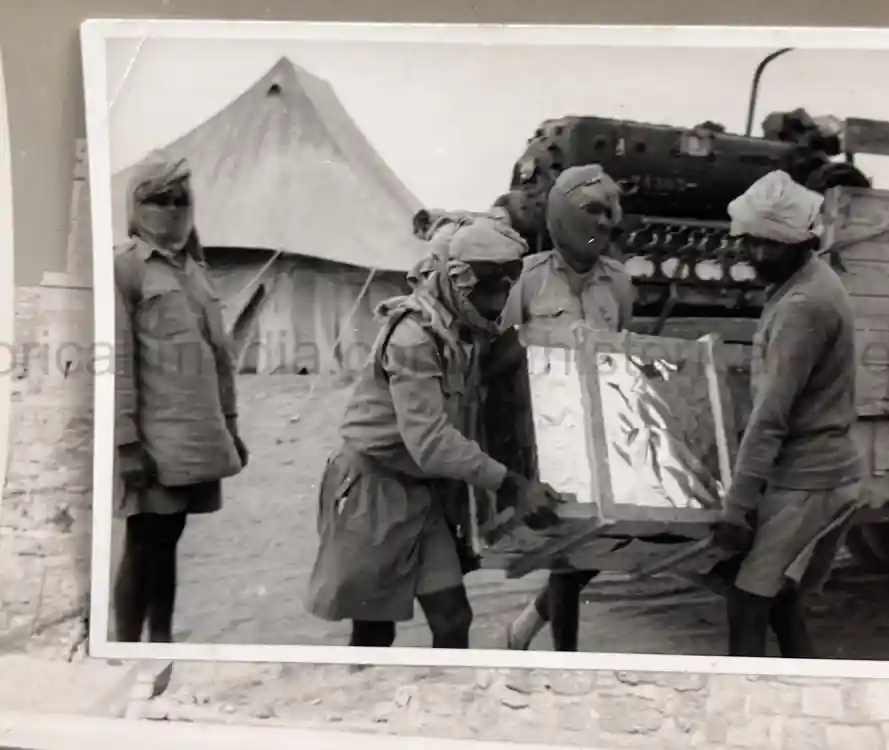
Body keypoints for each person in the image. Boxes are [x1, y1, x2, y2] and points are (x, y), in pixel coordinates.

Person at [305, 217, 563, 651]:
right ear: (458, 281)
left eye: (504, 291)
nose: (497, 304)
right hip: (375, 489)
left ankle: (445, 692)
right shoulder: (412, 337)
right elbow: (431, 441)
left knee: (452, 618)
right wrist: (512, 485)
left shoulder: (463, 331)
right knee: (375, 627)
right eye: (489, 292)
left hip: (422, 492)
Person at [709, 169, 864, 658]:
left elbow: (771, 414)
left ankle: (746, 699)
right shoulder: (808, 281)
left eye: (768, 245)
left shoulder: (803, 305)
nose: (755, 255)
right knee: (780, 599)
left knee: (747, 600)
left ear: (802, 242)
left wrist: (737, 506)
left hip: (809, 478)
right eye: (750, 242)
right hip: (820, 469)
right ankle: (807, 687)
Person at [112, 153, 249, 673]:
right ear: (136, 205)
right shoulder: (126, 268)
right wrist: (126, 443)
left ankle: (161, 641)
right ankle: (124, 650)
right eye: (159, 200)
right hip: (152, 437)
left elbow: (221, 361)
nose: (171, 210)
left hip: (196, 434)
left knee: (167, 540)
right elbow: (118, 362)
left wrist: (231, 427)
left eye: (180, 200)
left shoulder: (194, 270)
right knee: (144, 542)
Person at [497, 164, 636, 652]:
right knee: (566, 552)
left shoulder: (619, 283)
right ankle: (563, 658)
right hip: (542, 430)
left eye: (610, 212)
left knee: (595, 543)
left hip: (598, 429)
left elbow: (622, 351)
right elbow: (500, 359)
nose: (604, 222)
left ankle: (526, 629)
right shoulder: (527, 280)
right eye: (592, 210)